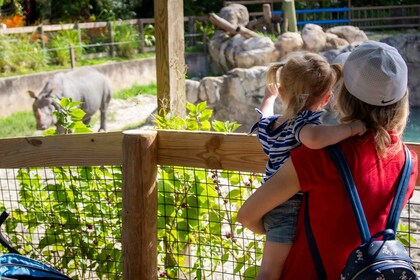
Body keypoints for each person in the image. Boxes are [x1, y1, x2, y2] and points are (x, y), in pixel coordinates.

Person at [237, 40, 418, 279]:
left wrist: (277, 230)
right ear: (401, 99)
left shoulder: (321, 157)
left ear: (344, 96)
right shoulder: (408, 162)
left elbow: (247, 215)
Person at [249, 52, 366, 280]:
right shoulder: (302, 123)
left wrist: (269, 98)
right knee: (269, 272)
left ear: (283, 92)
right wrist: (350, 129)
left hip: (272, 199)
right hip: (287, 207)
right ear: (326, 99)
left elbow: (262, 117)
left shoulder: (272, 126)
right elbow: (313, 138)